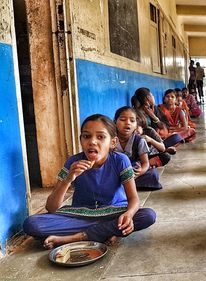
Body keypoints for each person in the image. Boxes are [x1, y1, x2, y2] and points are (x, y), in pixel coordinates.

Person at [23, 114, 156, 249]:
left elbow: (134, 199)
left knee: (147, 215)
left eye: (100, 137)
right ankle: (106, 232)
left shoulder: (120, 160)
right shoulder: (72, 162)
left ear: (113, 142)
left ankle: (76, 237)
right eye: (86, 136)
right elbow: (51, 208)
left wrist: (128, 214)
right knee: (32, 224)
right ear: (81, 140)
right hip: (81, 215)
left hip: (114, 213)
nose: (92, 142)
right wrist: (68, 178)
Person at [114, 106, 162, 190]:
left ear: (136, 124)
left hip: (133, 171)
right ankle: (124, 184)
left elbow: (145, 163)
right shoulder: (110, 139)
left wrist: (140, 172)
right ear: (115, 122)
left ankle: (121, 185)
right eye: (122, 119)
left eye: (132, 121)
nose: (128, 123)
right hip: (115, 171)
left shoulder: (139, 141)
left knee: (153, 174)